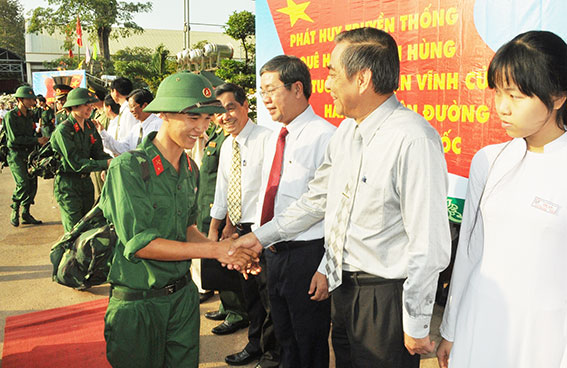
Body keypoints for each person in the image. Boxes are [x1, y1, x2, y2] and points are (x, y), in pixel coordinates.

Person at [233, 27, 451, 368]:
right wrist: (258, 238)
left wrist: (417, 320)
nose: (327, 85)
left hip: (385, 298)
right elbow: (318, 202)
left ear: (362, 78)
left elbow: (429, 242)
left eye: (333, 73)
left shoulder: (413, 139)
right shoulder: (347, 132)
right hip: (344, 290)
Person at [99, 71, 258, 368]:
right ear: (163, 114)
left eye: (207, 119)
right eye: (192, 117)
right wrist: (214, 250)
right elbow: (142, 244)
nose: (201, 128)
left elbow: (187, 231)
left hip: (182, 299)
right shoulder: (129, 169)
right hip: (139, 304)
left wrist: (230, 250)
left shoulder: (189, 170)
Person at [436, 30, 567, 368]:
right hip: (478, 321)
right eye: (498, 93)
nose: (503, 108)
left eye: (517, 95)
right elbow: (469, 250)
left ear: (558, 97)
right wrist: (450, 328)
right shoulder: (489, 160)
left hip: (545, 334)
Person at [256, 55, 335, 368]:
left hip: (307, 257)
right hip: (275, 254)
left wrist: (326, 267)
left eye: (271, 90)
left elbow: (325, 205)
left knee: (310, 343)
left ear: (297, 88)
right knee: (285, 339)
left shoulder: (325, 136)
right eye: (261, 91)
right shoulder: (276, 135)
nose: (265, 99)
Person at [209, 83, 280, 367]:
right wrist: (217, 228)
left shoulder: (268, 139)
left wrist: (264, 234)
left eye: (230, 108)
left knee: (269, 297)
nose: (224, 116)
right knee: (249, 293)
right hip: (240, 232)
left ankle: (273, 354)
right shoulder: (227, 145)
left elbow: (275, 189)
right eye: (219, 112)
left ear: (244, 107)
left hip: (264, 231)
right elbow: (222, 191)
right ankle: (255, 345)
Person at [200, 114, 249, 333]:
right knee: (216, 265)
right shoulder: (216, 134)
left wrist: (228, 222)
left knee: (228, 264)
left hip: (220, 212)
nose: (219, 117)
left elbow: (232, 184)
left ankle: (237, 312)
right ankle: (226, 304)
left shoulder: (228, 140)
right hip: (209, 208)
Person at [50, 88, 112, 232]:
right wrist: (105, 164)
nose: (90, 107)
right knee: (73, 230)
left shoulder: (90, 126)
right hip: (68, 185)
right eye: (85, 104)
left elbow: (98, 153)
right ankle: (67, 254)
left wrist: (114, 161)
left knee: (86, 226)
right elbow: (76, 162)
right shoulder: (64, 130)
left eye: (90, 104)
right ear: (74, 106)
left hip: (85, 184)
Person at [4, 85, 48, 226]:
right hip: (16, 154)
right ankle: (15, 208)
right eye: (28, 99)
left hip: (30, 154)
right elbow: (14, 139)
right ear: (20, 100)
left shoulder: (29, 115)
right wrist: (36, 140)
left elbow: (32, 133)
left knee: (32, 184)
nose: (32, 102)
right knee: (22, 183)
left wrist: (40, 140)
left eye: (32, 99)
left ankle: (26, 213)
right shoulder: (11, 116)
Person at [95, 88, 162, 155]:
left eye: (133, 106)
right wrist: (103, 133)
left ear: (144, 106)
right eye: (129, 107)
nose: (130, 110)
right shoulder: (136, 128)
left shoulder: (159, 126)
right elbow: (121, 148)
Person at [109, 77, 138, 141]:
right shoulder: (124, 109)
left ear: (115, 92)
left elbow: (129, 138)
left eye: (111, 91)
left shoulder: (129, 111)